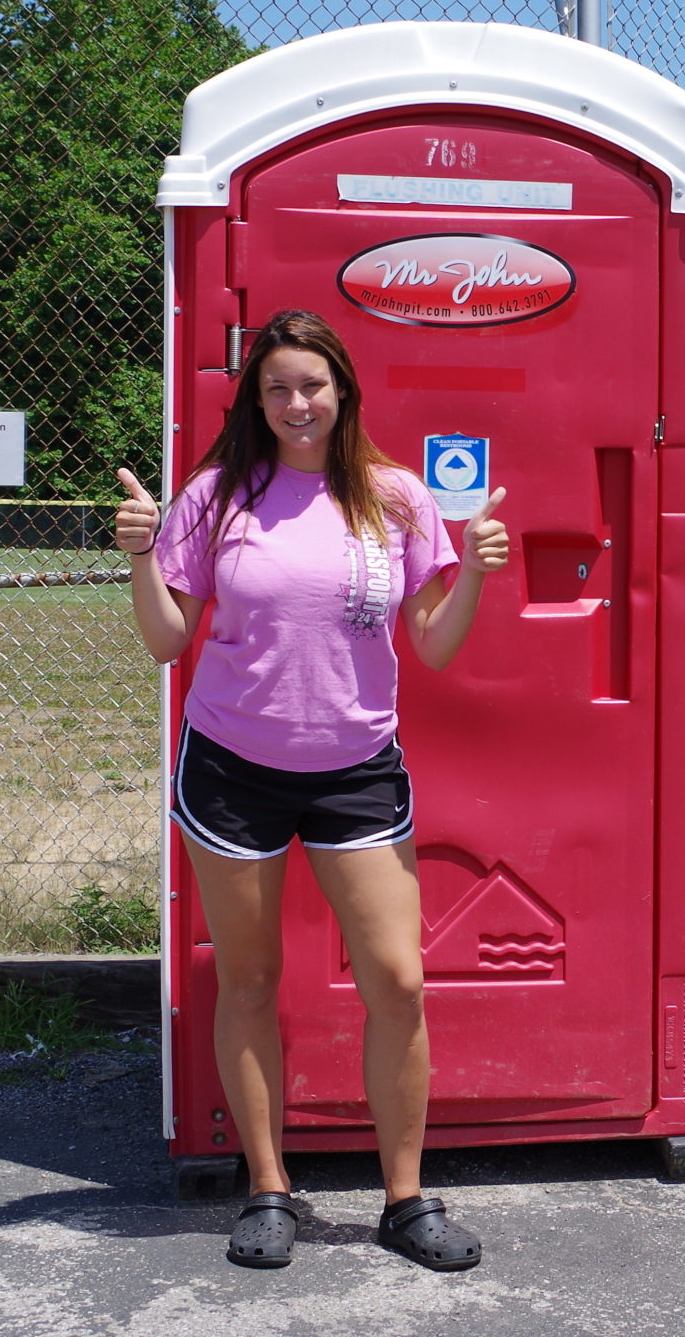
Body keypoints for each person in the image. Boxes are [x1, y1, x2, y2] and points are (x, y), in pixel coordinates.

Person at [113, 308, 508, 1273]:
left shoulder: (397, 497)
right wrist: (137, 554)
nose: (298, 403)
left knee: (399, 979)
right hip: (233, 767)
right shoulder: (218, 497)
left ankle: (406, 1201)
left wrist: (478, 576)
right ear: (257, 398)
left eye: (314, 385)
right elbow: (169, 641)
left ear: (343, 393)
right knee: (248, 980)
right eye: (279, 386)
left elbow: (435, 646)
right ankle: (267, 1187)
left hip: (357, 772)